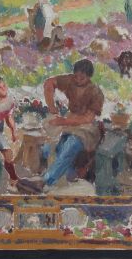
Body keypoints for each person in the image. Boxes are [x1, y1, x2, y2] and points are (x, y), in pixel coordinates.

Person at [40, 59, 104, 190]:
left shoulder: (95, 92)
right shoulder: (70, 81)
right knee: (51, 147)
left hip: (87, 129)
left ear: (89, 77)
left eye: (82, 77)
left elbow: (87, 118)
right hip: (69, 123)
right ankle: (69, 174)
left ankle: (47, 181)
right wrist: (52, 108)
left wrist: (63, 121)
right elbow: (49, 83)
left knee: (71, 144)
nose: (78, 80)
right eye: (76, 76)